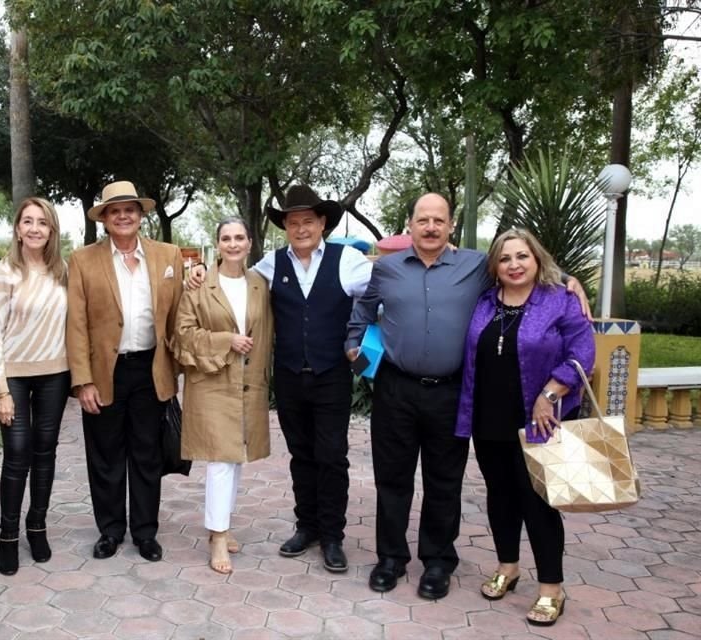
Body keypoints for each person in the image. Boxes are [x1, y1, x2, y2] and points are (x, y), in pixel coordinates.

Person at [346, 193, 590, 599]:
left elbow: (523, 267)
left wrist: (566, 279)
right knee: (392, 479)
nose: (430, 227)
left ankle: (438, 562)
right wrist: (355, 352)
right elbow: (363, 312)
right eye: (422, 220)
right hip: (396, 389)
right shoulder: (386, 269)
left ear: (450, 225)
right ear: (410, 225)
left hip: (451, 391)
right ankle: (390, 559)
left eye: (438, 220)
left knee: (444, 482)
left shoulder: (476, 266)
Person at [188, 184, 373, 573]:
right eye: (293, 222)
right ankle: (306, 527)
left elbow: (383, 289)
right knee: (301, 456)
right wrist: (201, 271)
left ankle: (333, 535)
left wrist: (359, 338)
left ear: (322, 223)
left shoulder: (348, 262)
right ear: (284, 227)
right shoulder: (269, 267)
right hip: (289, 378)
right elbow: (232, 280)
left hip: (331, 377)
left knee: (332, 457)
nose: (301, 228)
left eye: (309, 221)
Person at [455, 228, 594, 626]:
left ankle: (552, 587)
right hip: (486, 418)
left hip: (539, 421)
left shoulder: (561, 300)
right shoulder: (484, 302)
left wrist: (550, 392)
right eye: (505, 258)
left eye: (522, 257)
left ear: (537, 259)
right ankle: (508, 566)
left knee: (538, 501)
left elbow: (583, 353)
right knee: (500, 496)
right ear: (495, 267)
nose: (514, 265)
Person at [66, 180, 184, 563]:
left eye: (129, 209)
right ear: (104, 218)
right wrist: (82, 380)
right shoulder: (83, 260)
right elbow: (76, 324)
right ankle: (111, 530)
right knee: (106, 455)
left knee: (147, 455)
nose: (123, 216)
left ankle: (145, 532)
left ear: (140, 214)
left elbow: (182, 311)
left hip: (151, 368)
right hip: (104, 372)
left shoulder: (168, 256)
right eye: (114, 211)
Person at [173, 217, 273, 574]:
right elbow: (182, 335)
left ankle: (223, 523)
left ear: (249, 243)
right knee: (218, 460)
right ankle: (217, 536)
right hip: (212, 381)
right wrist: (225, 340)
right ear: (217, 245)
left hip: (247, 383)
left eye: (239, 238)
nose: (233, 244)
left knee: (235, 458)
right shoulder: (199, 285)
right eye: (226, 238)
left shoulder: (259, 284)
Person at [0, 197, 71, 575]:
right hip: (15, 376)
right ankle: (7, 536)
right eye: (28, 221)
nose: (35, 228)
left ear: (52, 230)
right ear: (17, 228)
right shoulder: (5, 272)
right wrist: (0, 389)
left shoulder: (62, 271)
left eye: (43, 223)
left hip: (55, 373)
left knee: (45, 452)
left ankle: (37, 526)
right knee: (17, 451)